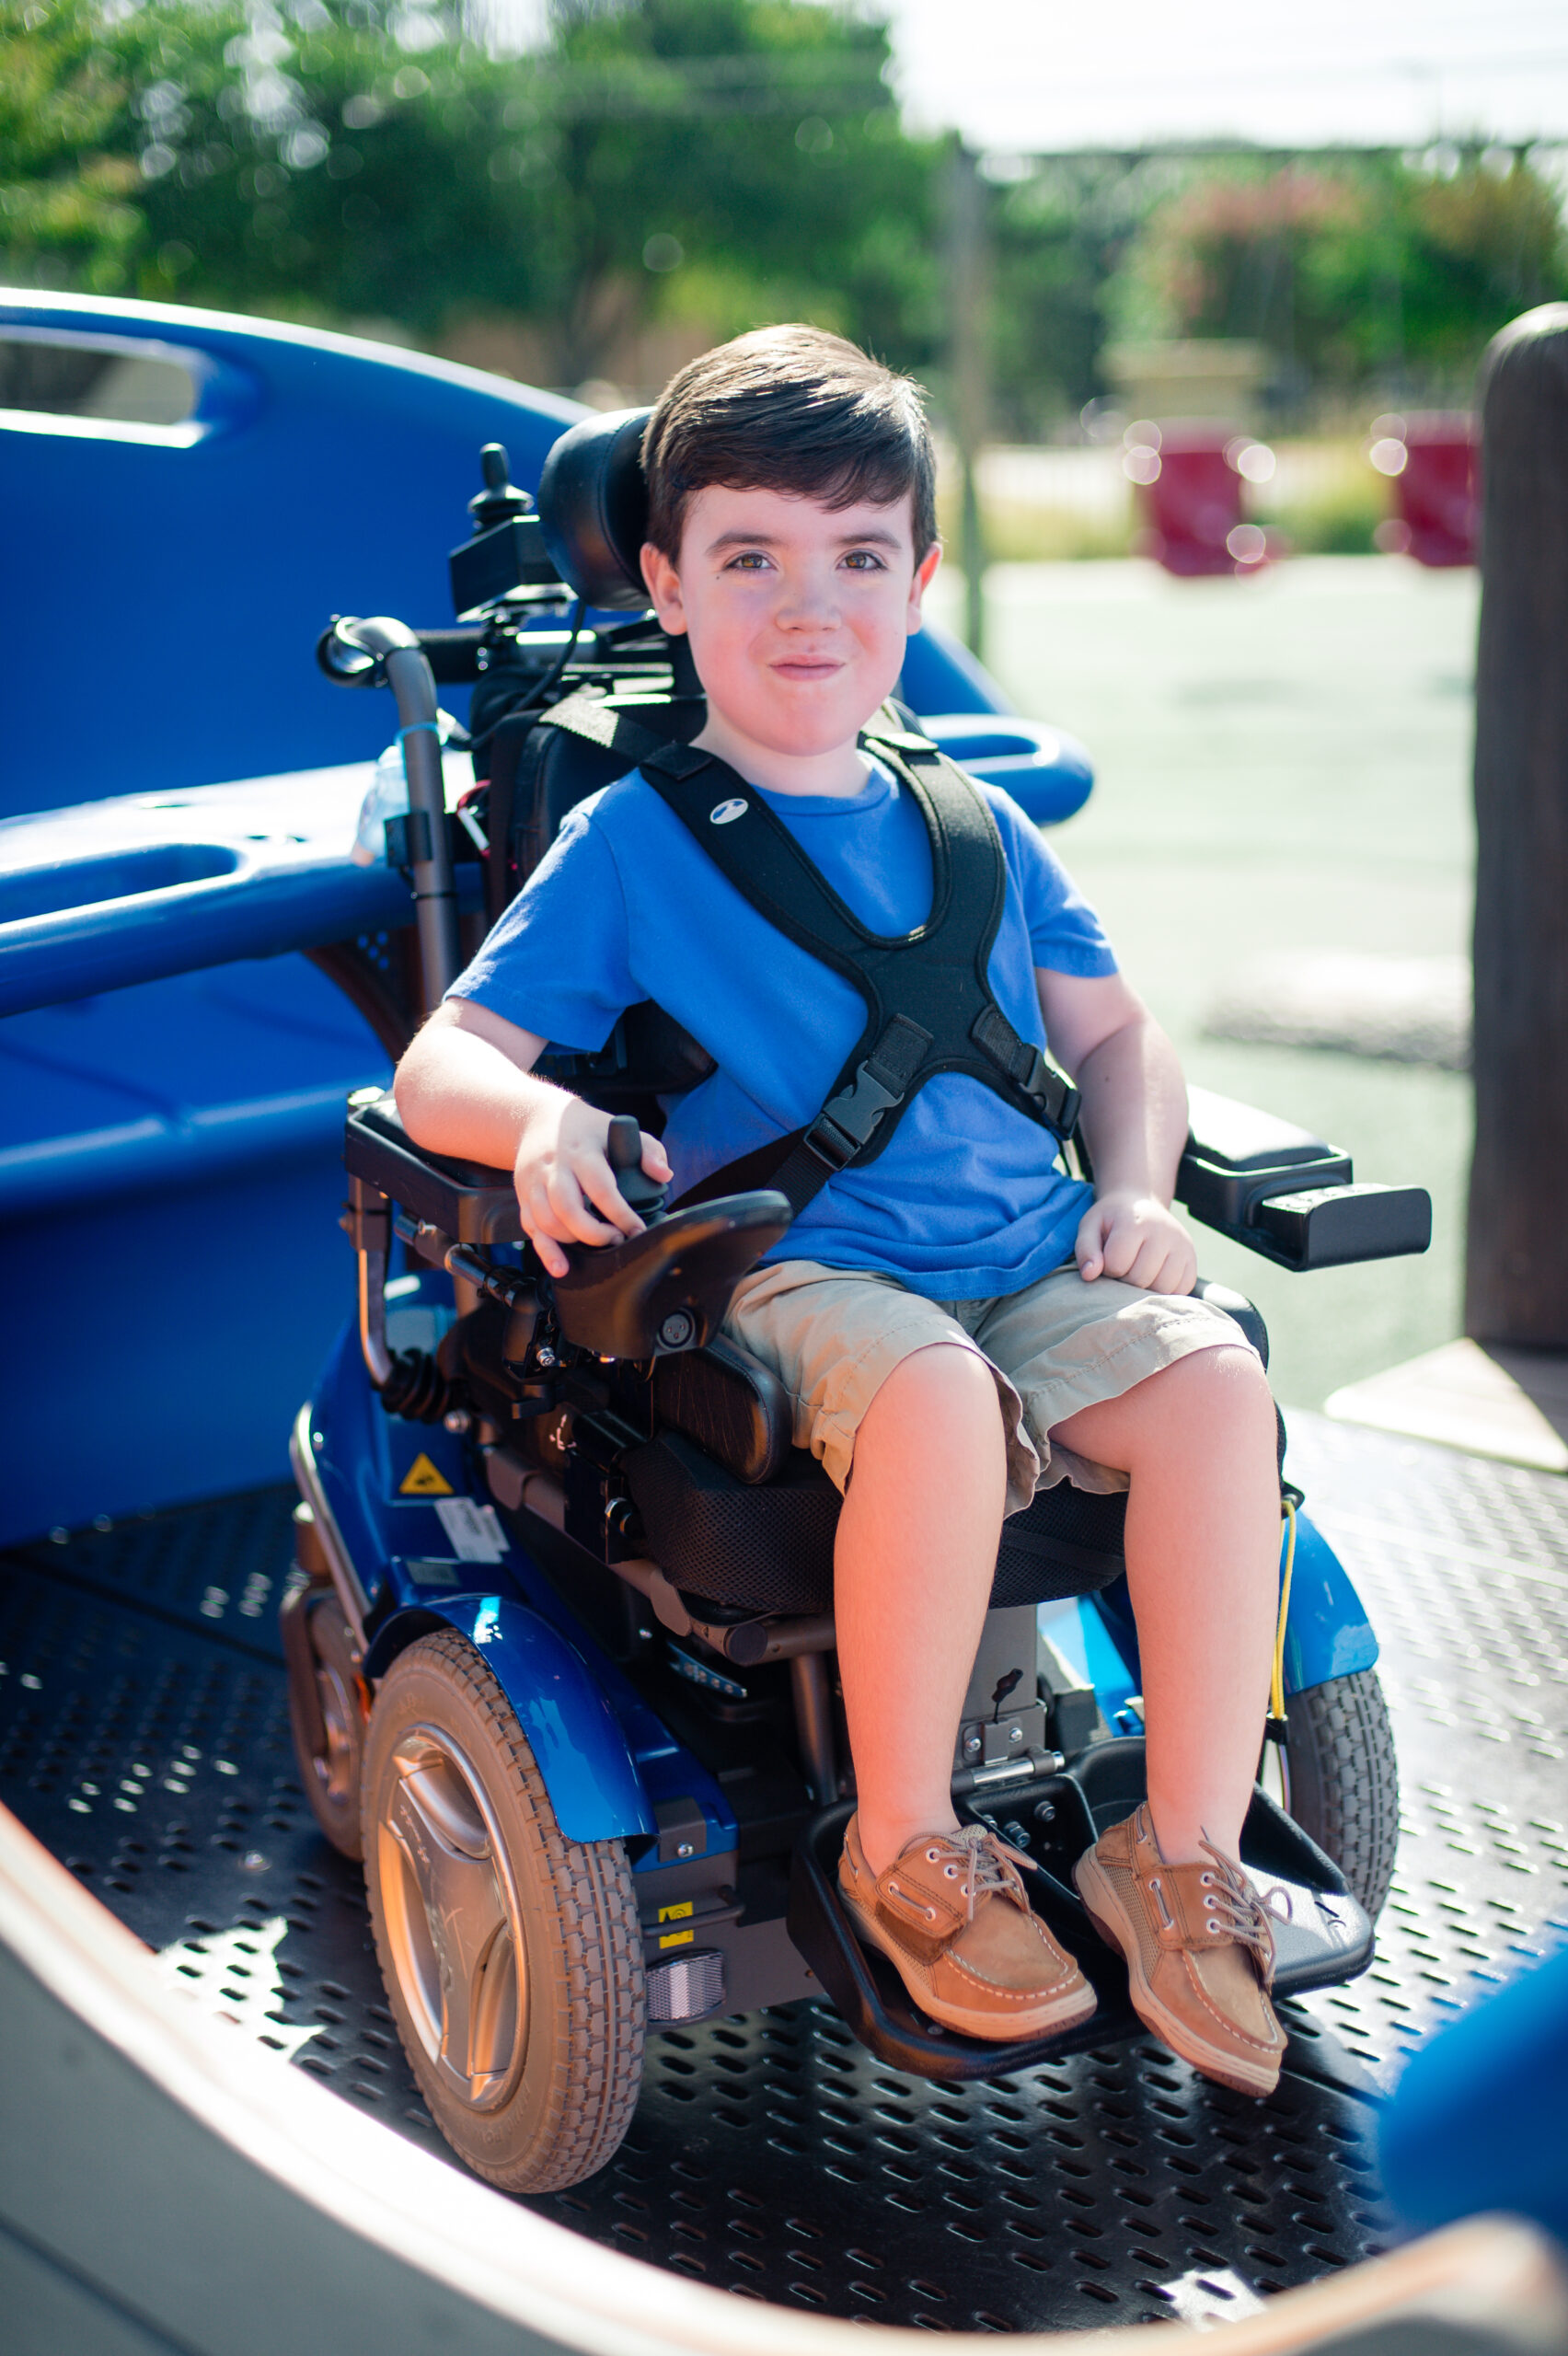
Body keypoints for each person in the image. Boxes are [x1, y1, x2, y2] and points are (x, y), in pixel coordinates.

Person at [394, 326, 1287, 2096]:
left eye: (859, 558)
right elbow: (443, 1066)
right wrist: (544, 1114)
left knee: (1214, 1388)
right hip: (792, 1272)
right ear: (664, 582)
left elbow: (1120, 1037)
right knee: (943, 1398)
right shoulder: (638, 840)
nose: (812, 603)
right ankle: (906, 1845)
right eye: (752, 559)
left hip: (1026, 1254)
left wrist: (1132, 1186)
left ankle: (1180, 1855)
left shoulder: (977, 826)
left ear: (919, 580)